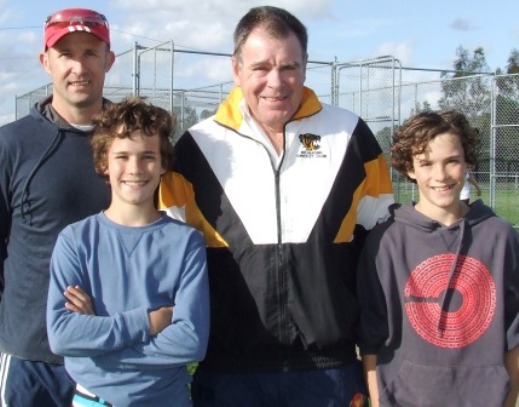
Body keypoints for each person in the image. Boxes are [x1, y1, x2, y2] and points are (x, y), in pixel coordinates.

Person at [159, 6, 394, 406]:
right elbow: (159, 257)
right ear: (236, 69)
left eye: (289, 66)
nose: (277, 82)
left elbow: (387, 249)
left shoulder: (350, 136)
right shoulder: (195, 148)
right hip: (228, 373)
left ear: (305, 67)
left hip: (330, 372)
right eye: (261, 67)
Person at [46, 97, 210, 407]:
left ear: (163, 164)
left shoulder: (186, 243)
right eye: (122, 156)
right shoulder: (75, 241)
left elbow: (190, 342)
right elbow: (63, 336)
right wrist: (147, 323)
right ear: (103, 163)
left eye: (147, 156)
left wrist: (96, 341)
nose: (135, 169)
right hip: (93, 400)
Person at [357, 110, 519, 407]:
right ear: (409, 168)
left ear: (468, 161)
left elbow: (514, 334)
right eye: (426, 163)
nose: (440, 176)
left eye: (452, 161)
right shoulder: (386, 241)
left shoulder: (501, 237)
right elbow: (371, 336)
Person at [0, 8, 115, 406]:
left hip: (113, 352)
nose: (78, 66)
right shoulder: (11, 145)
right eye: (66, 54)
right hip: (33, 357)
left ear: (109, 61)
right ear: (45, 61)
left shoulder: (137, 147)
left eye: (89, 52)